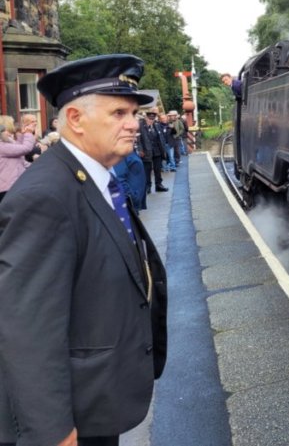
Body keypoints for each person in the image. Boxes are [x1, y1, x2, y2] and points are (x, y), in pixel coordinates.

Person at [0, 54, 168, 446]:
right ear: (75, 119)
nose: (133, 124)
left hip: (96, 398)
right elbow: (28, 329)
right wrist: (53, 432)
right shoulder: (46, 196)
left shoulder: (95, 177)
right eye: (119, 113)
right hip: (70, 420)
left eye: (134, 113)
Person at [0, 116, 36, 204]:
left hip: (13, 185)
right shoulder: (2, 146)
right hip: (6, 188)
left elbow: (19, 151)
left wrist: (22, 133)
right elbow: (25, 148)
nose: (10, 133)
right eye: (7, 130)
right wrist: (28, 133)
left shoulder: (7, 142)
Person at [137, 111, 168, 192]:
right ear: (146, 118)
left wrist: (163, 150)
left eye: (153, 119)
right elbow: (138, 140)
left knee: (158, 169)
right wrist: (140, 150)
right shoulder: (140, 126)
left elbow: (161, 138)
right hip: (146, 151)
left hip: (157, 150)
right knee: (147, 170)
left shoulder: (156, 125)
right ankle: (148, 186)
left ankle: (159, 185)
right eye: (150, 119)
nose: (151, 120)